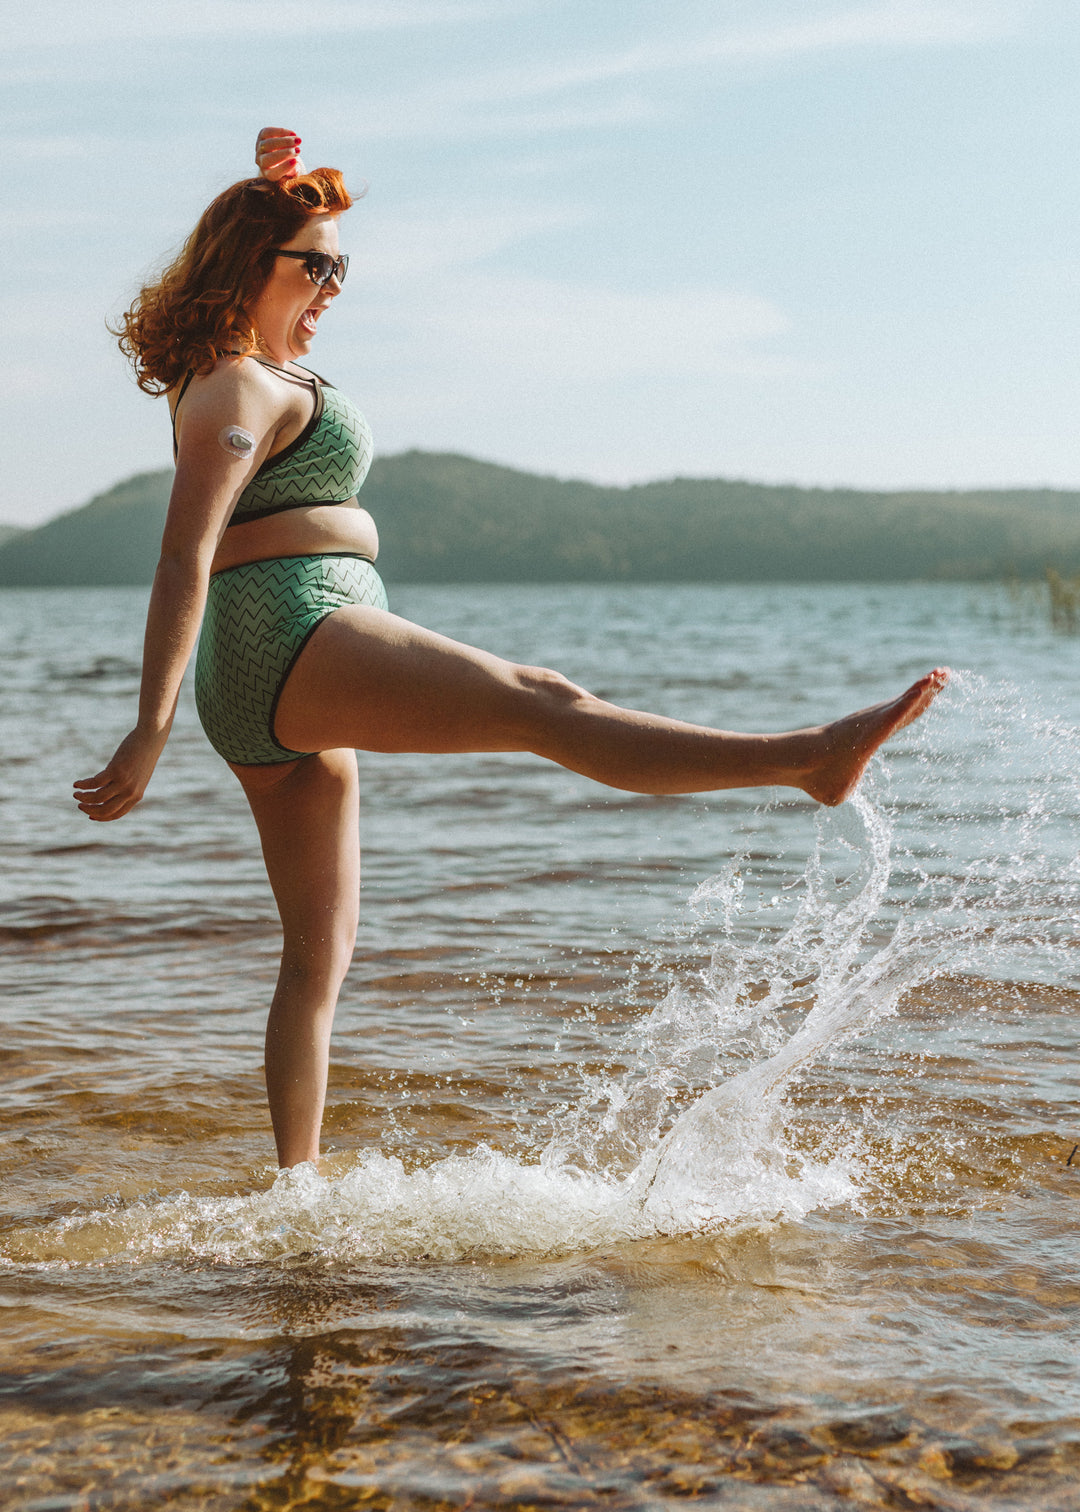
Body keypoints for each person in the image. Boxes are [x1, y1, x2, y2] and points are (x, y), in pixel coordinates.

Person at [74, 128, 948, 1170]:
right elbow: (184, 557)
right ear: (252, 263)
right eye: (320, 263)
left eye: (342, 265)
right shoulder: (234, 390)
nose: (336, 285)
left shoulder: (250, 374)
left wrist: (280, 175)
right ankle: (805, 758)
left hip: (285, 658)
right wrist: (148, 729)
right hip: (292, 634)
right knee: (543, 700)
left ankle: (295, 1194)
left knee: (318, 959)